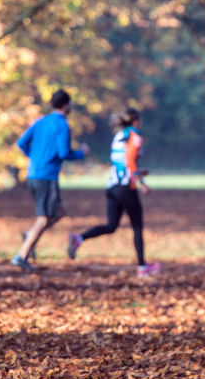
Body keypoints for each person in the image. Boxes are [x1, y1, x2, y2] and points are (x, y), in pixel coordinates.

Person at [67, 107, 161, 277]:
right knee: (137, 226)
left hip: (112, 186)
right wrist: (142, 182)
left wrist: (138, 172)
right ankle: (142, 267)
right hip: (126, 187)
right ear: (136, 121)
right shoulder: (135, 137)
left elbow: (121, 162)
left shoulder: (118, 136)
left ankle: (79, 239)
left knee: (111, 226)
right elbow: (130, 162)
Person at [11, 89, 89, 272]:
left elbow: (21, 143)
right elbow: (63, 153)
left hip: (33, 175)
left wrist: (35, 158)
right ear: (66, 104)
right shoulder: (62, 125)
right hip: (46, 177)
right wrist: (81, 153)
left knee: (60, 211)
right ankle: (21, 256)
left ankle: (30, 235)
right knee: (44, 219)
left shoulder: (41, 121)